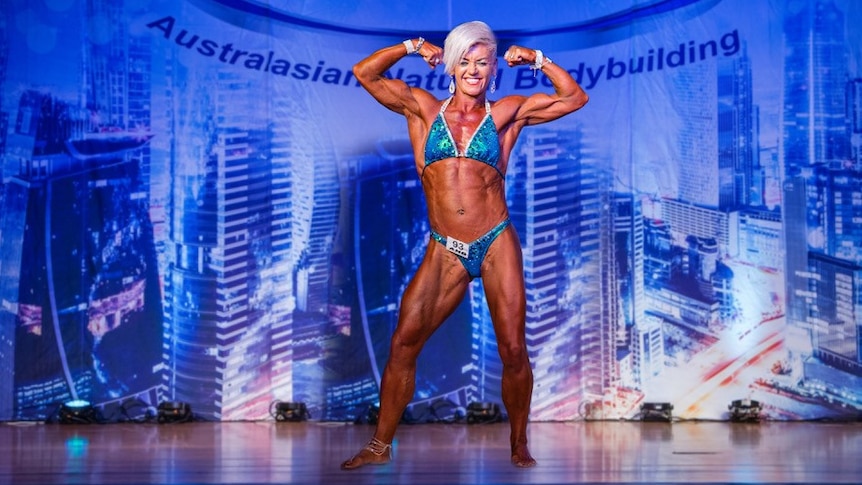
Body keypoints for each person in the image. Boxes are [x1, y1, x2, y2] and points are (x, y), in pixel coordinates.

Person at [342, 20, 588, 470]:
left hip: (495, 242)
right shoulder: (422, 110)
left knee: (513, 349)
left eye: (482, 62)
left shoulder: (506, 113)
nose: (474, 70)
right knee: (403, 343)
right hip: (445, 248)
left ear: (493, 69)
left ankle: (518, 441)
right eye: (466, 62)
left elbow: (575, 98)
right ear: (452, 67)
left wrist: (537, 59)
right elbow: (365, 73)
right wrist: (414, 46)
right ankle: (380, 445)